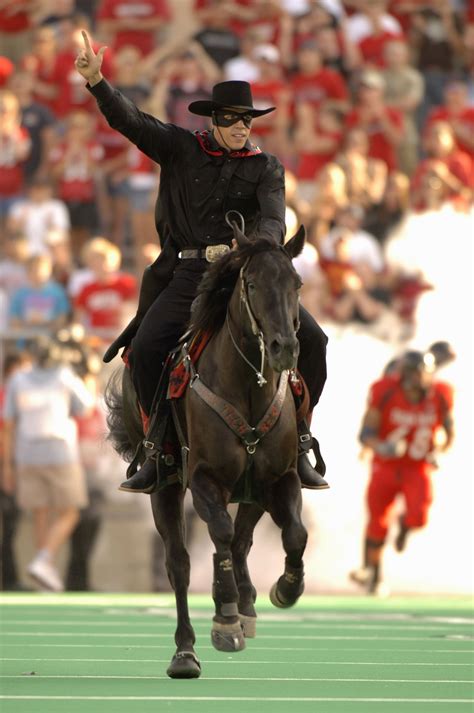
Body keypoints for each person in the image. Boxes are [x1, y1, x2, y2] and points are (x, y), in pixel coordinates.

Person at [74, 30, 329, 493]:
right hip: (188, 273)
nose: (241, 128)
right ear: (214, 120)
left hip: (245, 274)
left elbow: (273, 221)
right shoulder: (179, 147)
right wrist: (98, 83)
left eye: (247, 121)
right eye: (233, 119)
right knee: (148, 348)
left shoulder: (267, 167)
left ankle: (302, 439)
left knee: (314, 340)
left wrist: (254, 251)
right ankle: (157, 448)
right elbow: (132, 122)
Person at [350, 350, 455, 595]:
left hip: (417, 467)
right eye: (413, 373)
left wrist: (440, 449)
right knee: (378, 520)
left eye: (422, 373)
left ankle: (405, 527)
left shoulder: (441, 395)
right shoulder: (385, 391)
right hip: (387, 464)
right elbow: (366, 433)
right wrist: (381, 446)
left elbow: (449, 433)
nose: (418, 379)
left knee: (419, 516)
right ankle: (375, 576)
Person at [2, 335, 93, 592]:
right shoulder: (64, 375)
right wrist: (87, 374)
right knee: (71, 510)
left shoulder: (18, 379)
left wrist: (8, 466)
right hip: (59, 451)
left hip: (27, 453)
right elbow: (85, 407)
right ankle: (44, 560)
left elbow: (7, 424)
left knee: (40, 511)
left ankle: (44, 573)